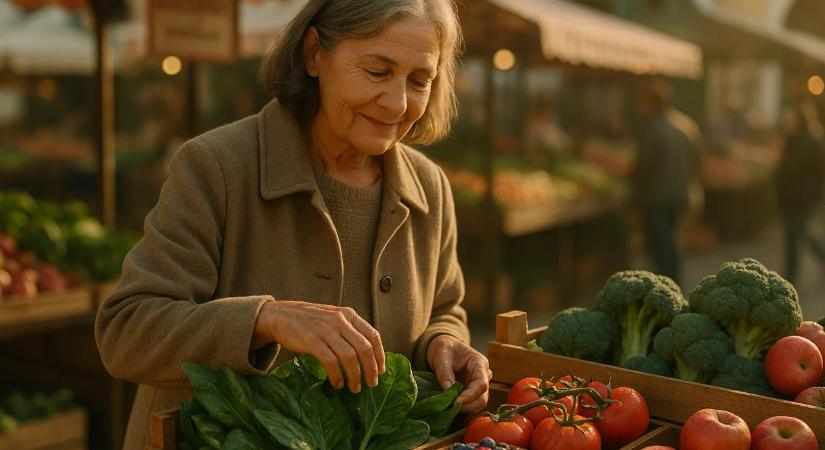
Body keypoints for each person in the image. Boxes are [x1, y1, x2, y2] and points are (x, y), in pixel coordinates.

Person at [94, 1, 491, 448]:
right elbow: (126, 332)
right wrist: (266, 319)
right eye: (378, 72)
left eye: (420, 81)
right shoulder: (215, 168)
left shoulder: (430, 187)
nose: (398, 102)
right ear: (314, 54)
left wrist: (446, 343)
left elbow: (445, 310)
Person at [630, 81, 699, 285]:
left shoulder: (654, 129)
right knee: (671, 241)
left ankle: (666, 285)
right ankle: (673, 282)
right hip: (680, 194)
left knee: (661, 244)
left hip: (657, 196)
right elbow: (697, 162)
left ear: (651, 103)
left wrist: (634, 187)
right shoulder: (686, 126)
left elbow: (645, 165)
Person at [776, 101, 825, 284]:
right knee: (796, 234)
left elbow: (797, 169)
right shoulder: (792, 140)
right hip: (792, 197)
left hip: (801, 197)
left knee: (798, 234)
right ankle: (791, 271)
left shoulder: (808, 142)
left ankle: (791, 273)